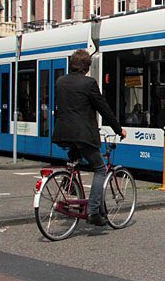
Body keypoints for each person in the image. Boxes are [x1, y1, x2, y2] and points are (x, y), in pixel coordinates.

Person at [53, 49, 126, 227]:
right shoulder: (89, 83)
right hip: (83, 134)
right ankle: (93, 212)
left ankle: (69, 182)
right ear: (87, 67)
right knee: (100, 169)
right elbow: (104, 108)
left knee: (76, 158)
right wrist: (118, 129)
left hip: (63, 133)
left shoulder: (60, 81)